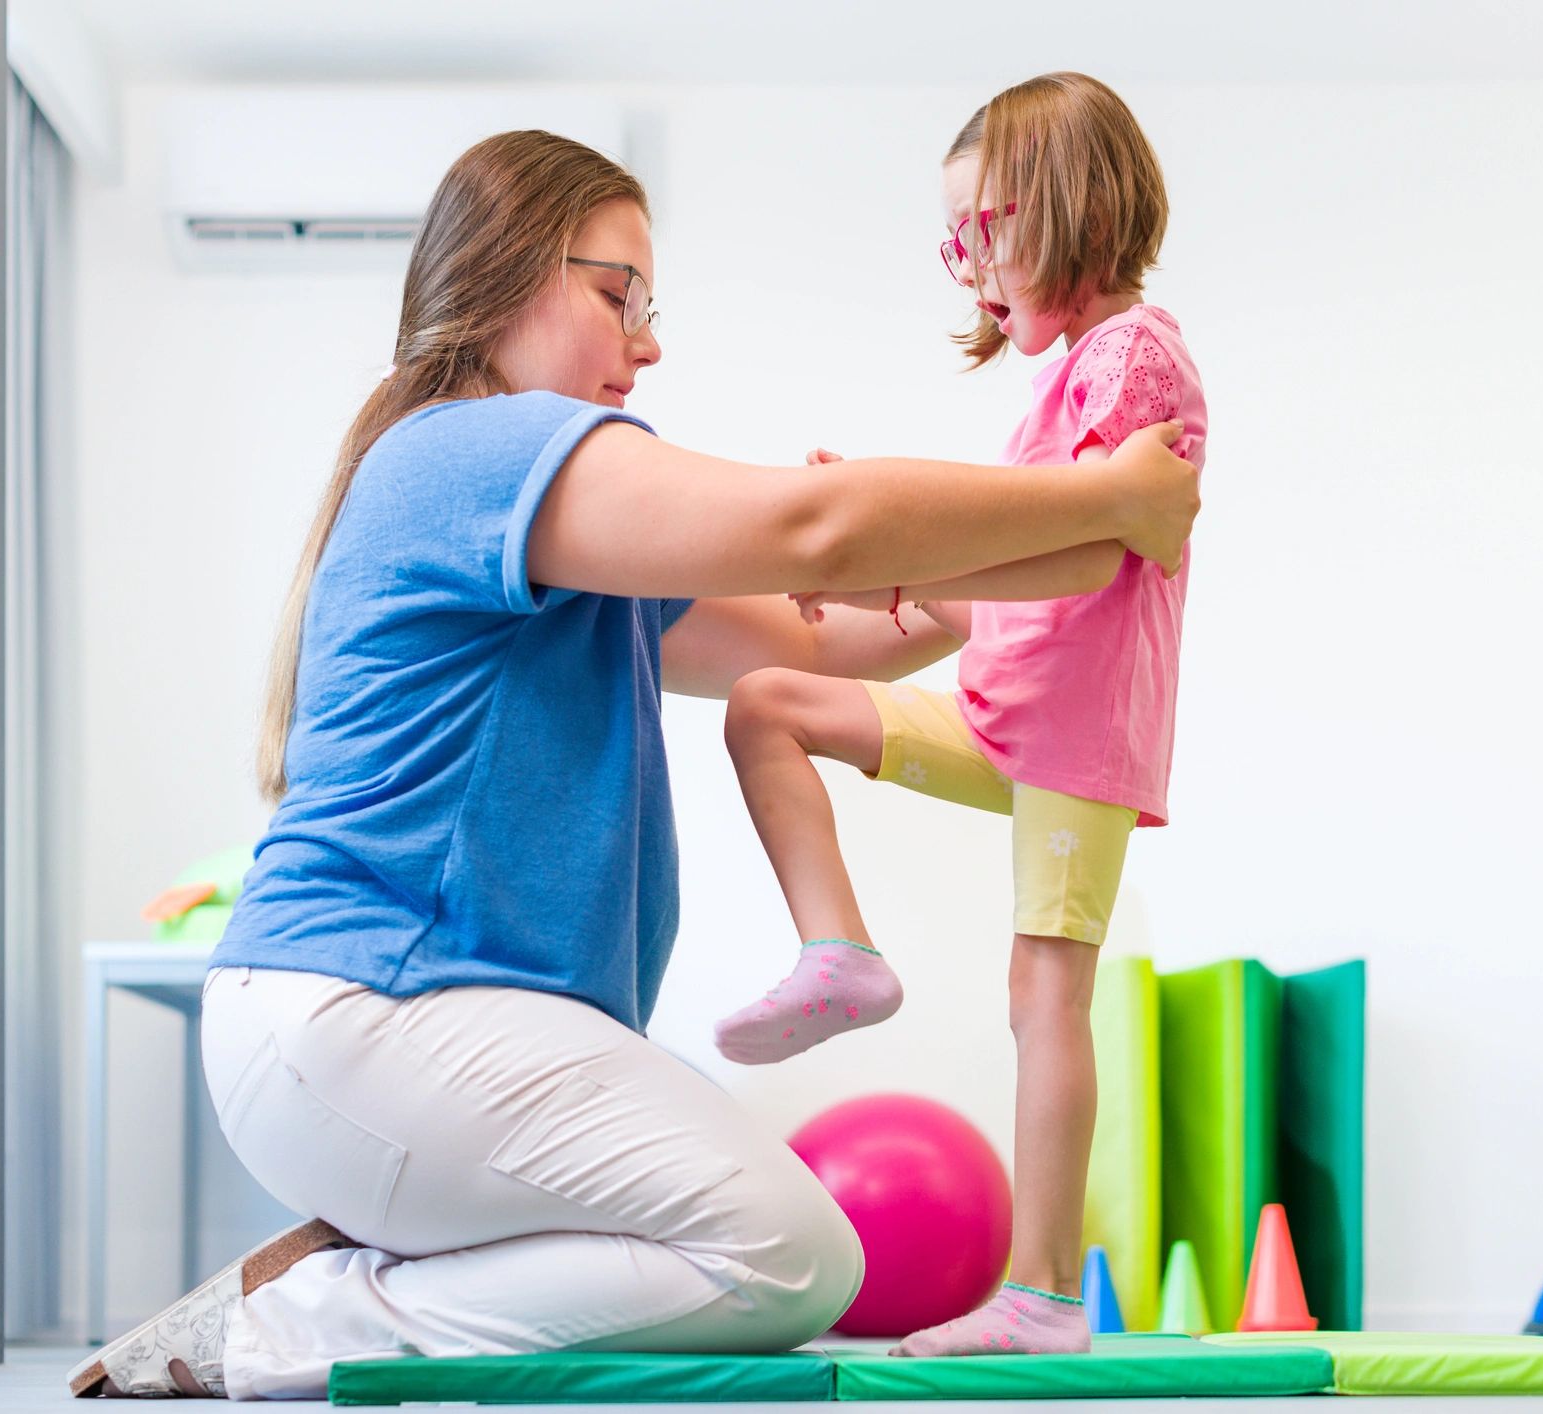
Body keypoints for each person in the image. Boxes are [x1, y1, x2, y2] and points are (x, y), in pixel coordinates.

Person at [68, 127, 1196, 1400]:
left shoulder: (581, 552)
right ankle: (297, 1324)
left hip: (400, 1032)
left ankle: (377, 1277)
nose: (648, 343)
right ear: (506, 277)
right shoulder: (476, 449)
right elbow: (815, 529)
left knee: (772, 1250)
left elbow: (846, 633)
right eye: (621, 296)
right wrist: (1107, 499)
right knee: (789, 1255)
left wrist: (1089, 559)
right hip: (369, 1008)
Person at [709, 73, 1207, 1357]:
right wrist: (864, 573)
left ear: (1067, 205)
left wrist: (899, 543)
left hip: (1078, 735)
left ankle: (1041, 1296)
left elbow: (1091, 553)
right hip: (1002, 711)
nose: (968, 265)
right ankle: (841, 955)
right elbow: (990, 592)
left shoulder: (1135, 356)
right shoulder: (1064, 383)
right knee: (767, 705)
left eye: (981, 230)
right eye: (955, 241)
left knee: (1044, 990)